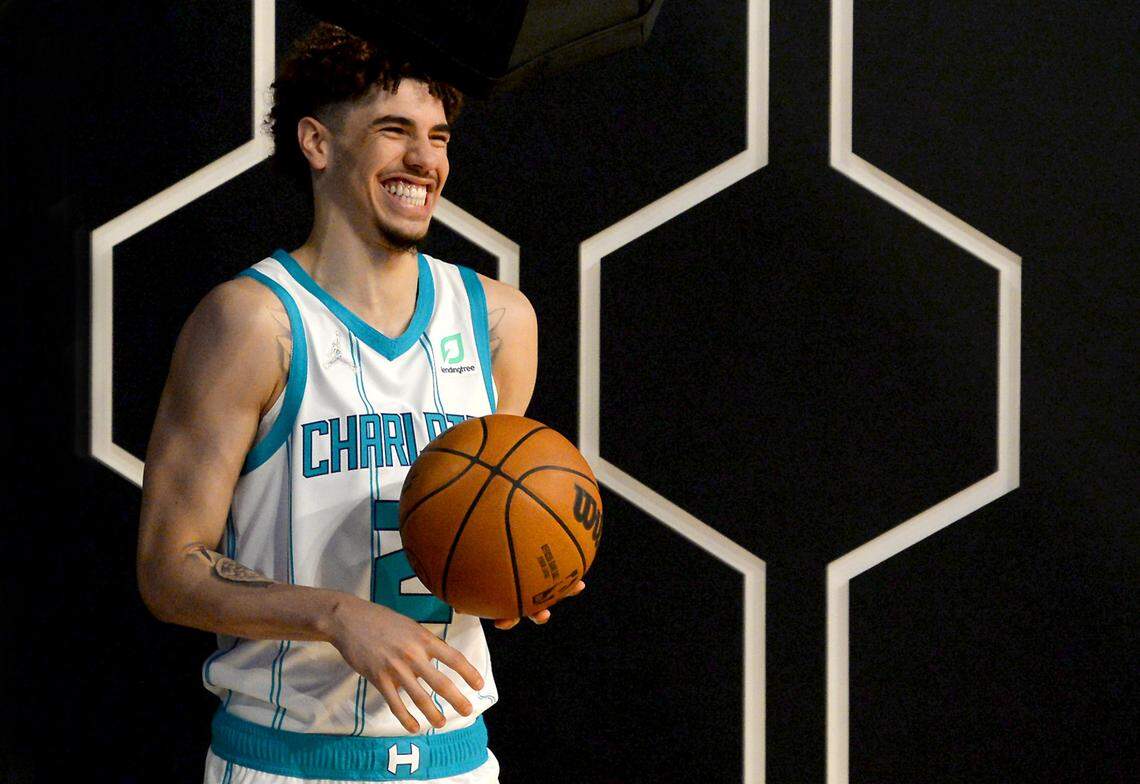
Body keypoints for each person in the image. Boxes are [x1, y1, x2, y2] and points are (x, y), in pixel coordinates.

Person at [136, 22, 582, 784]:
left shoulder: (500, 322)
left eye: (438, 137)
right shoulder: (253, 323)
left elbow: (482, 517)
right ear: (317, 142)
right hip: (289, 761)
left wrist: (510, 574)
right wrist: (336, 615)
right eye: (394, 130)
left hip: (456, 762)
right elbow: (168, 569)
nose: (425, 161)